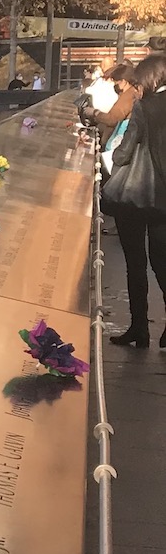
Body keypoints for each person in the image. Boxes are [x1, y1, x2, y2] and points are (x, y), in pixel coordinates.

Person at [97, 53, 166, 346]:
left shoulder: (144, 107)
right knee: (162, 262)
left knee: (135, 262)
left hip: (137, 195)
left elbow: (124, 153)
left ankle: (140, 328)